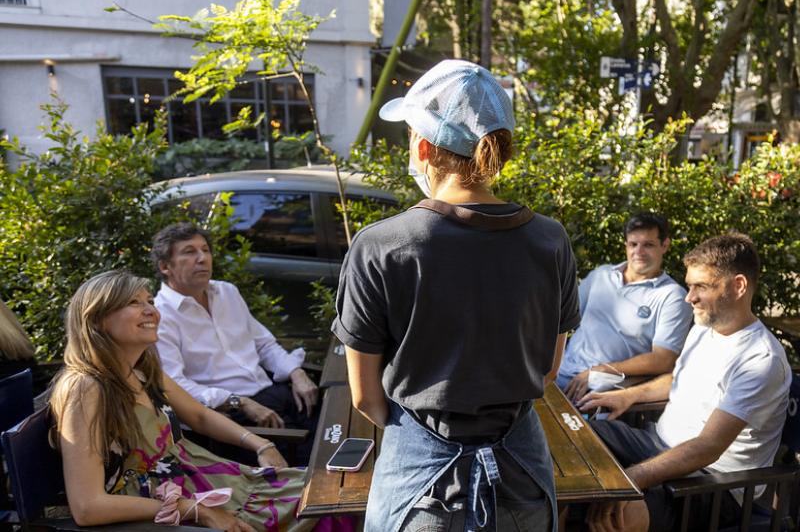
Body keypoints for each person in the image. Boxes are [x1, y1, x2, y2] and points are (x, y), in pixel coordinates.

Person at [332, 59, 580, 532]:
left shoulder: (382, 244)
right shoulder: (550, 240)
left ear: (423, 146)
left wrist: (425, 437)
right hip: (522, 477)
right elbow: (548, 368)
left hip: (421, 489)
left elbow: (365, 395)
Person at [49, 270, 350, 532]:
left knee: (338, 491)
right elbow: (87, 506)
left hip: (209, 479)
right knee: (336, 509)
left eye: (150, 302)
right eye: (133, 302)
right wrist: (199, 511)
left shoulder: (142, 370)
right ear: (97, 319)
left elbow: (200, 416)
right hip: (168, 504)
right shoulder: (85, 388)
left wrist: (261, 444)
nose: (150, 311)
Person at [576, 233, 791, 532]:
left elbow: (708, 447)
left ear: (739, 286)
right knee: (575, 441)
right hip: (657, 444)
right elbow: (680, 377)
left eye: (701, 286)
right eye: (689, 285)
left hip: (712, 484)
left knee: (619, 514)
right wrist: (630, 396)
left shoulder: (760, 359)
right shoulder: (705, 327)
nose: (689, 297)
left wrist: (631, 477)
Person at [151, 223, 319, 463]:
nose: (202, 258)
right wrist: (235, 401)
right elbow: (176, 386)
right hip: (237, 415)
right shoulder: (160, 316)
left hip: (276, 392)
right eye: (189, 252)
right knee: (319, 464)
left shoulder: (226, 292)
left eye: (205, 250)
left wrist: (296, 372)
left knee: (346, 430)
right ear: (165, 266)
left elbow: (264, 345)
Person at [557, 213, 693, 402]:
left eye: (648, 244)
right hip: (558, 370)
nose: (639, 251)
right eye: (633, 244)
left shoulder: (672, 297)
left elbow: (663, 360)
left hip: (601, 386)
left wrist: (601, 370)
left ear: (665, 245)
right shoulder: (601, 275)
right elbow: (563, 317)